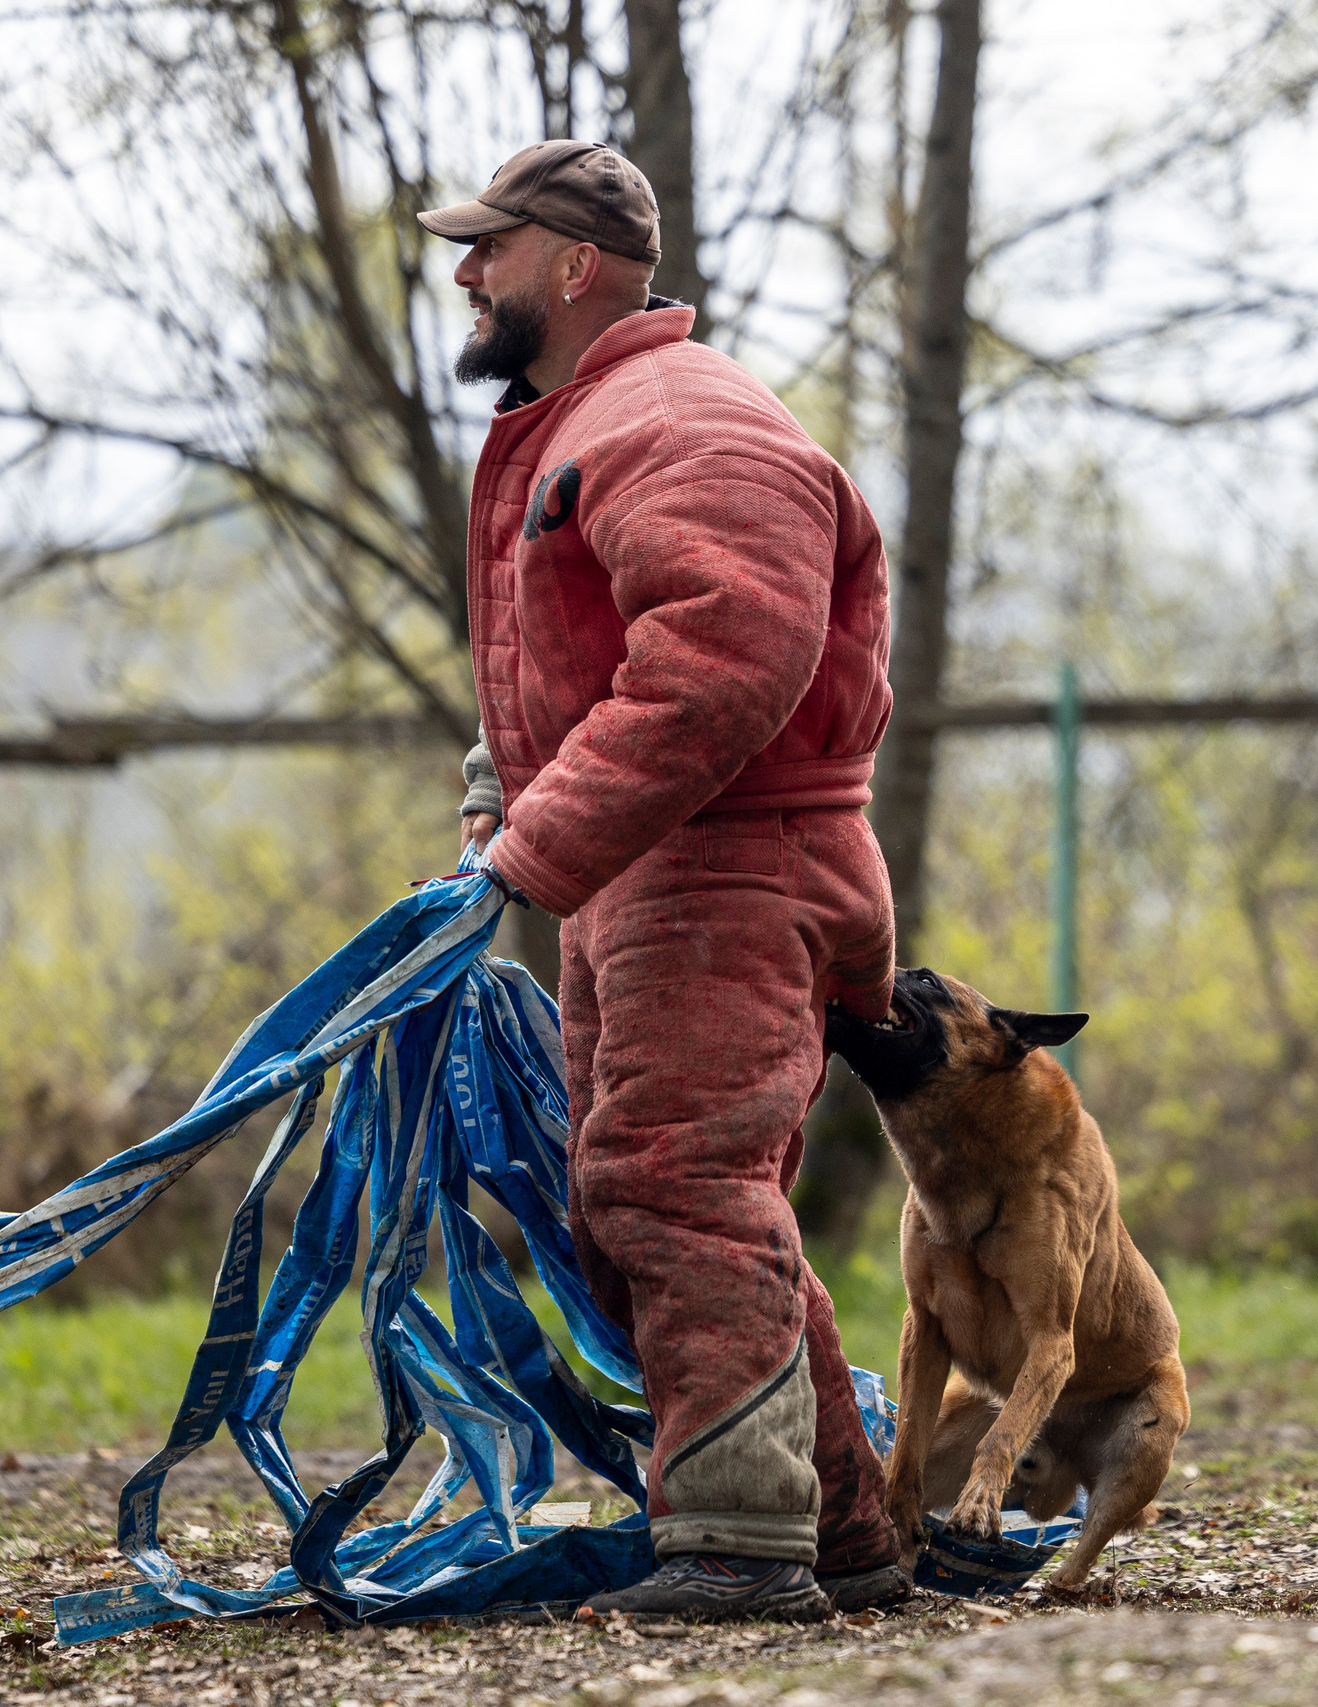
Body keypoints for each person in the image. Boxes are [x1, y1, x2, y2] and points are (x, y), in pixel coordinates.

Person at [421, 139, 908, 1622]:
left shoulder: (687, 422)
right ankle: (838, 1531)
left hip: (730, 867)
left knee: (678, 1188)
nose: (462, 272)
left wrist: (530, 850)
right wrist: (510, 802)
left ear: (573, 265)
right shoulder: (598, 419)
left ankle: (739, 1550)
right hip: (660, 868)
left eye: (487, 247)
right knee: (665, 1195)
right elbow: (600, 663)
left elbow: (725, 662)